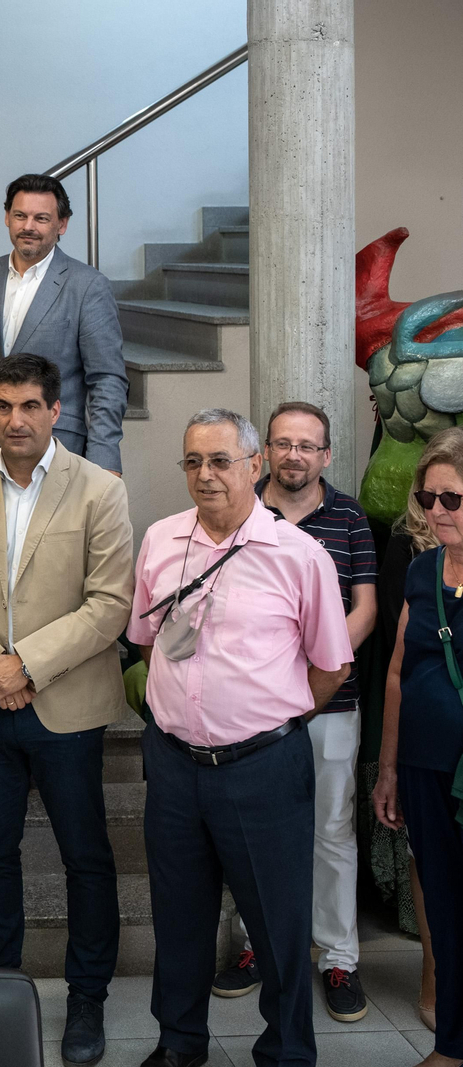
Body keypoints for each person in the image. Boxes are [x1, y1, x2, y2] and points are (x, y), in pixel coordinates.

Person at [0, 354, 133, 1066]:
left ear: (55, 410)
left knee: (85, 856)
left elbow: (110, 603)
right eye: (3, 406)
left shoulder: (100, 490)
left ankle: (86, 998)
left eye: (29, 406)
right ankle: (0, 992)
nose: (15, 420)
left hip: (65, 703)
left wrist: (29, 664)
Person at [127, 408, 353, 1067]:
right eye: (193, 461)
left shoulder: (300, 555)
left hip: (263, 767)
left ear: (256, 466)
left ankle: (285, 1051)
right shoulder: (162, 539)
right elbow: (144, 640)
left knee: (278, 926)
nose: (206, 474)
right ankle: (179, 1042)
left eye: (221, 460)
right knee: (179, 917)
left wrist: (270, 723)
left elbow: (332, 664)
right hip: (173, 764)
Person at [208, 401, 378, 1021]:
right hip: (254, 712)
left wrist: (312, 680)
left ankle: (338, 959)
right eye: (283, 444)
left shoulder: (350, 518)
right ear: (265, 454)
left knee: (332, 833)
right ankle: (258, 947)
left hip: (331, 702)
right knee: (257, 837)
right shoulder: (240, 510)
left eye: (307, 445)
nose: (294, 455)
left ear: (326, 455)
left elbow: (365, 609)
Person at [373, 426, 463, 1067]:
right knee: (445, 908)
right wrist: (387, 769)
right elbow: (400, 670)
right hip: (426, 768)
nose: (436, 511)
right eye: (428, 498)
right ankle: (453, 1046)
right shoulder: (425, 569)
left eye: (453, 499)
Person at [0, 174, 128, 473]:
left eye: (41, 218)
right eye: (20, 216)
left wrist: (104, 458)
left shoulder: (88, 286)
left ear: (62, 224)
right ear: (7, 217)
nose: (28, 226)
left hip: (58, 448)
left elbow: (107, 379)